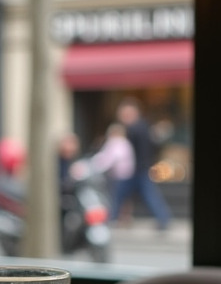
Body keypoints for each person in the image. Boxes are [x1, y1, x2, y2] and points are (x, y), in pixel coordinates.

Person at [107, 98, 170, 230]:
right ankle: (163, 219)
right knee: (124, 193)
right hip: (140, 167)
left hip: (135, 169)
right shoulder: (144, 126)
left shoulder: (134, 129)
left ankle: (112, 218)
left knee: (124, 193)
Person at [72, 122, 133, 196]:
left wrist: (93, 166)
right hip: (124, 175)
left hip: (119, 176)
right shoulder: (124, 142)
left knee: (116, 198)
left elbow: (109, 159)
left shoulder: (116, 142)